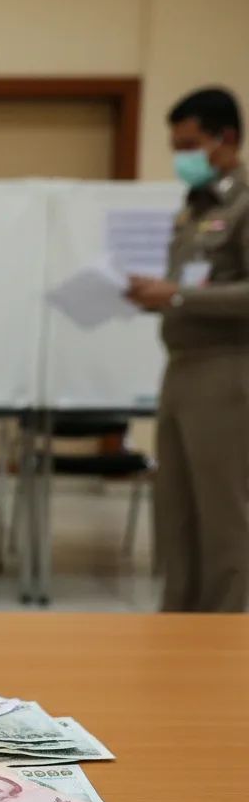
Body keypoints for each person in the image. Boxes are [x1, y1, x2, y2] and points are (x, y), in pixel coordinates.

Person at [126, 87, 249, 612]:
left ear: (227, 139)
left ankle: (223, 633)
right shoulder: (194, 207)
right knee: (175, 509)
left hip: (227, 371)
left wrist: (177, 294)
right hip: (181, 368)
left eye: (190, 144)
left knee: (223, 513)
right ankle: (177, 622)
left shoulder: (244, 203)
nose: (182, 157)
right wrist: (160, 294)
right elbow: (194, 287)